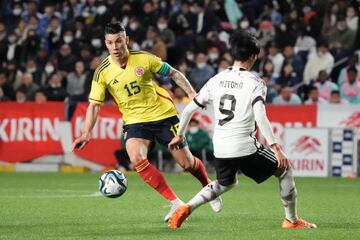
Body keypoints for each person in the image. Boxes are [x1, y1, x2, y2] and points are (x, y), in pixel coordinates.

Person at [71, 22, 221, 222]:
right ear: (105, 44)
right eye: (109, 43)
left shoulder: (144, 58)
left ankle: (208, 186)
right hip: (134, 122)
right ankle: (176, 203)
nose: (114, 47)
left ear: (127, 40)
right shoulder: (102, 72)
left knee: (186, 163)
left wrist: (192, 94)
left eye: (118, 41)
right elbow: (94, 105)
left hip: (163, 115)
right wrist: (86, 132)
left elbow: (174, 73)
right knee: (136, 158)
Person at [167, 30, 316, 229]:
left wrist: (180, 135)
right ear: (254, 56)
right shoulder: (255, 83)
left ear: (234, 54)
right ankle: (291, 220)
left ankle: (187, 207)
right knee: (285, 170)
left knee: (225, 183)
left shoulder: (216, 79)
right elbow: (260, 116)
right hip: (243, 145)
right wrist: (276, 147)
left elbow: (188, 110)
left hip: (220, 145)